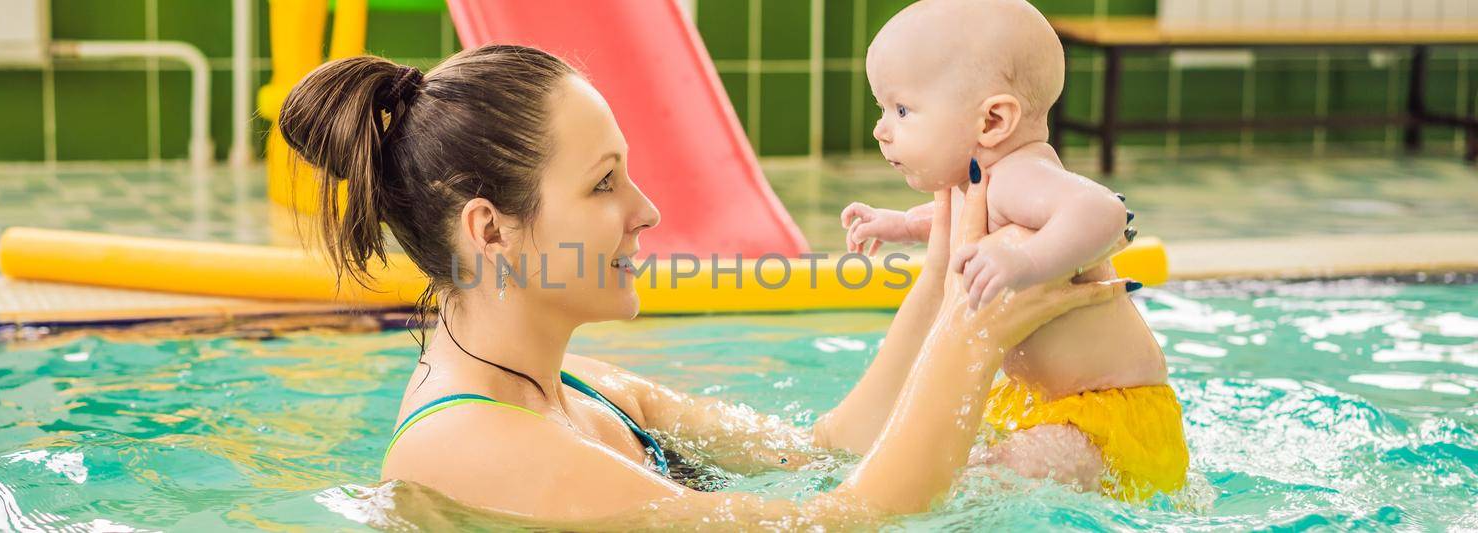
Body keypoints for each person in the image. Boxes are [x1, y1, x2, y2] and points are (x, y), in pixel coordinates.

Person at [278, 44, 1136, 526]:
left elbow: (824, 453)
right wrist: (971, 333)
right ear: (490, 229)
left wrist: (943, 277)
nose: (647, 210)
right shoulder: (464, 446)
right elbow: (837, 524)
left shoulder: (581, 390)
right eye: (605, 182)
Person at [838, 0, 1187, 500]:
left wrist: (1024, 261)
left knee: (979, 483)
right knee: (954, 463)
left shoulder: (1020, 174)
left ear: (992, 122)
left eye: (902, 109)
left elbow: (1103, 210)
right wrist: (898, 224)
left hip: (1108, 414)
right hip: (1044, 405)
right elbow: (959, 225)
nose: (881, 129)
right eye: (882, 109)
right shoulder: (979, 182)